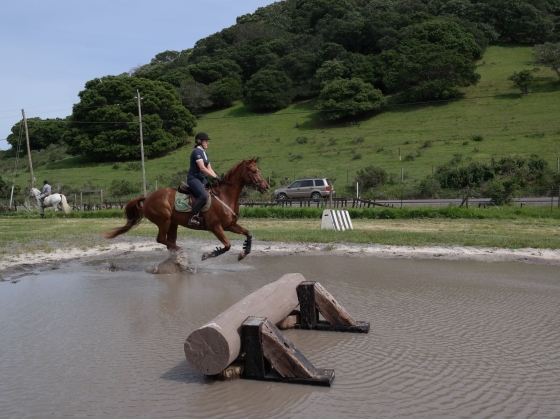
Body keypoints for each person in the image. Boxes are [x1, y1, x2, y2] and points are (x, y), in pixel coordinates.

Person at [186, 132, 221, 226]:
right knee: (204, 196)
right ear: (199, 142)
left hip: (201, 179)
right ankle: (192, 217)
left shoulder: (204, 153)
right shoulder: (196, 152)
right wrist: (215, 177)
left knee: (214, 191)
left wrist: (218, 178)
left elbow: (209, 168)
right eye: (206, 141)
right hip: (193, 178)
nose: (207, 143)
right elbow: (202, 168)